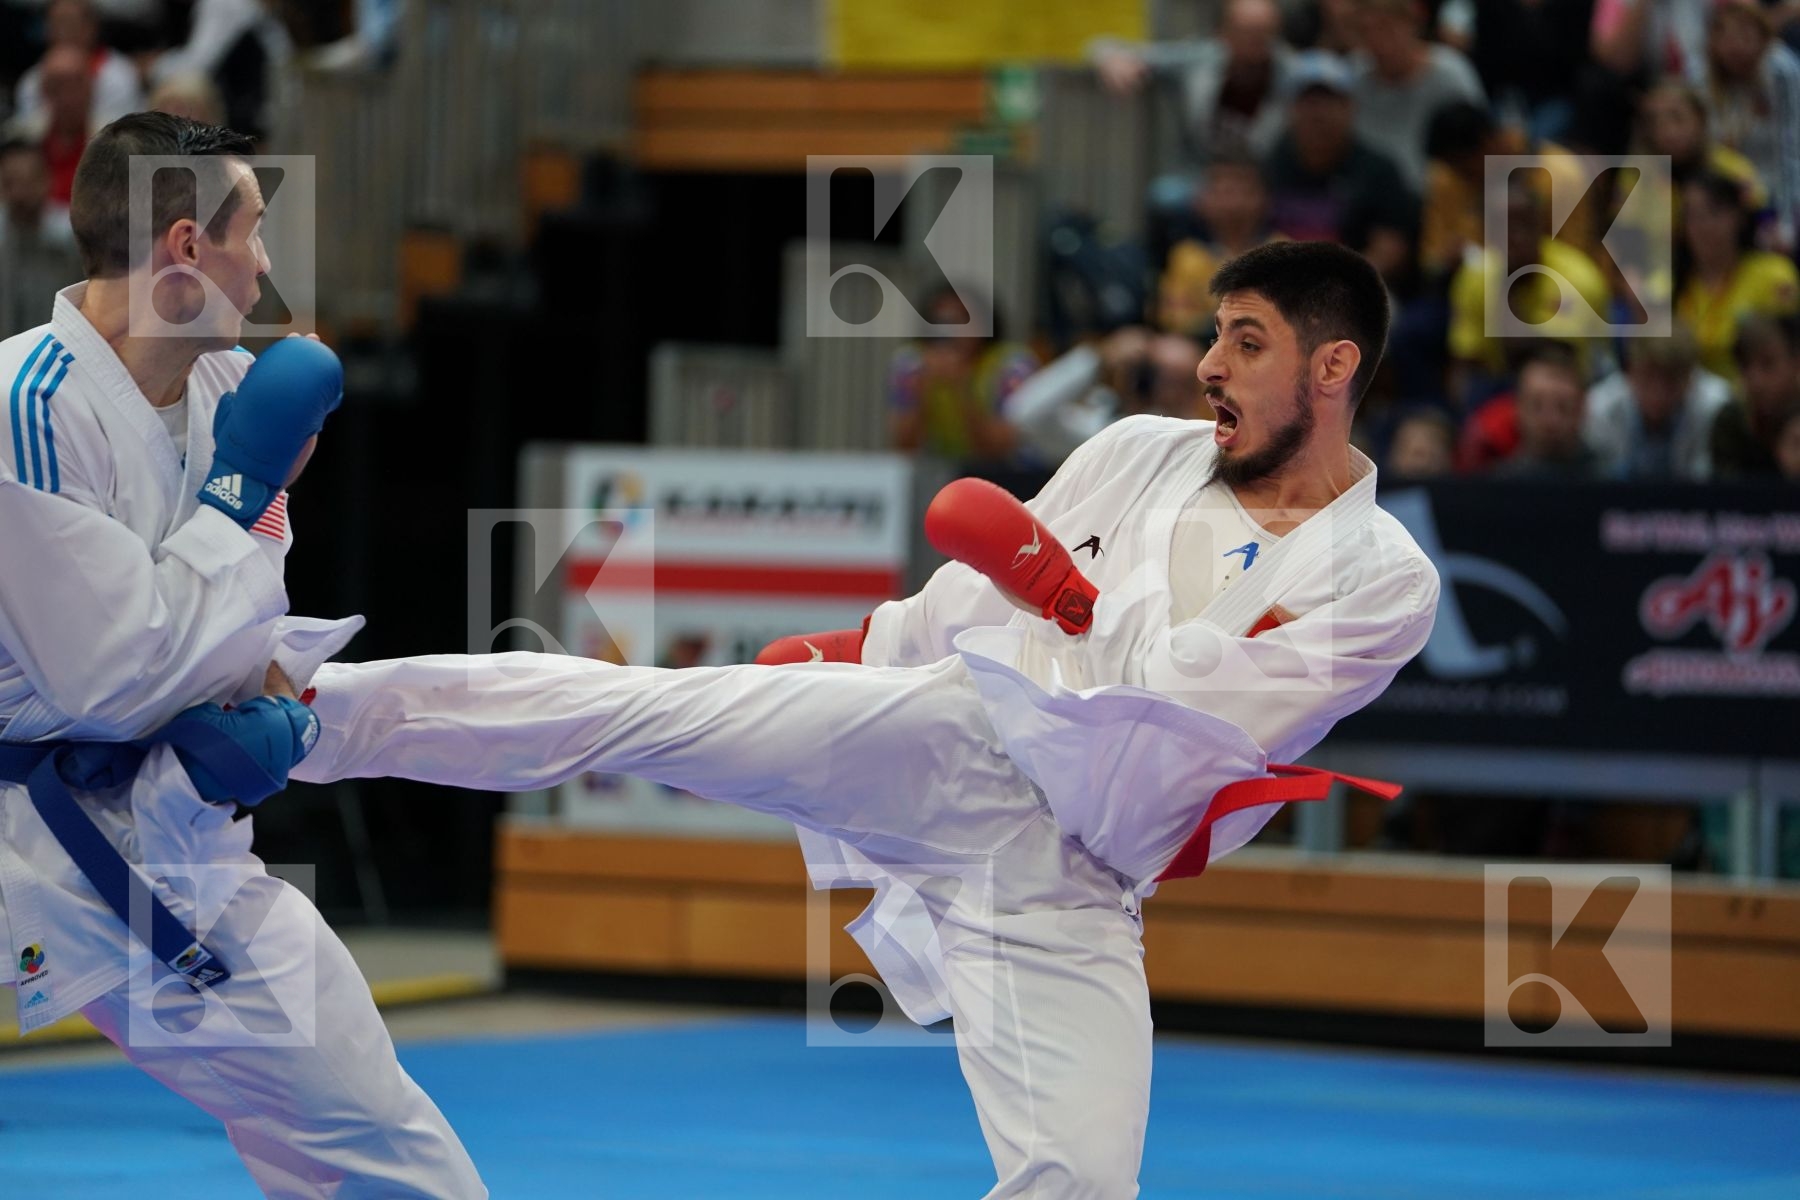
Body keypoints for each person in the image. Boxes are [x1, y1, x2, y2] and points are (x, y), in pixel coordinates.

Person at [287, 241, 1442, 1199]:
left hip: (1075, 877)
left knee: (1081, 1184)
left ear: (1334, 365)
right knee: (646, 709)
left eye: (1249, 343)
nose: (1209, 367)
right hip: (949, 740)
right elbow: (966, 601)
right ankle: (307, 717)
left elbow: (1189, 714)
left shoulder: (1382, 577)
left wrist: (1068, 597)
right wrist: (854, 651)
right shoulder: (1143, 451)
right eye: (1214, 335)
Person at [0, 112, 484, 1198]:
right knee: (370, 1138)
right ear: (184, 247)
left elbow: (237, 624)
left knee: (345, 1121)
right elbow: (110, 674)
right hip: (52, 839)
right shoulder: (24, 410)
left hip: (169, 826)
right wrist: (241, 494)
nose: (265, 268)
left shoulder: (228, 393)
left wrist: (268, 699)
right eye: (252, 234)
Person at [1261, 50, 1417, 286]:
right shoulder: (1268, 164)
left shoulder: (1379, 169)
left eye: (1329, 101)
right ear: (1289, 110)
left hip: (1354, 293)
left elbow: (1390, 252)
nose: (1318, 113)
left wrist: (1334, 287)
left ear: (1351, 107)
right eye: (1307, 102)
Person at [1347, 0, 1486, 194]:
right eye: (1366, 31)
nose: (1378, 40)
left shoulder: (1451, 75)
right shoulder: (1353, 77)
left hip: (1438, 198)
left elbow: (1477, 150)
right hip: (1371, 202)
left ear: (1412, 24)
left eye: (1387, 27)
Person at [1675, 170, 1799, 383]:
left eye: (1713, 212)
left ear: (1738, 216)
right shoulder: (1674, 284)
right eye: (1692, 216)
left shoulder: (1773, 275)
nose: (1702, 226)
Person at [1584, 328, 1733, 479]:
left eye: (1671, 381)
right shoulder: (1599, 407)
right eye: (1648, 378)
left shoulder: (1716, 408)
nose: (1658, 393)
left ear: (1690, 377)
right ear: (1630, 371)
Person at [10, 0, 145, 129]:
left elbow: (120, 136)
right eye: (57, 24)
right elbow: (28, 135)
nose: (64, 31)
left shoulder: (119, 75)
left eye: (71, 23)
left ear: (92, 26)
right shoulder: (31, 80)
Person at [0, 136, 83, 338]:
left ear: (47, 179)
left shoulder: (73, 237)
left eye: (28, 181)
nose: (20, 193)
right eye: (11, 182)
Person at [1492, 340, 1601, 477]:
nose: (1550, 421)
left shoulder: (1612, 486)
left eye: (1563, 407)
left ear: (1582, 409)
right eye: (1537, 406)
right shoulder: (1497, 489)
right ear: (1518, 408)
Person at [1714, 311, 1800, 476]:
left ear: (1796, 363)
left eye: (1768, 364)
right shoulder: (1731, 421)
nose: (1755, 380)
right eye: (1745, 365)